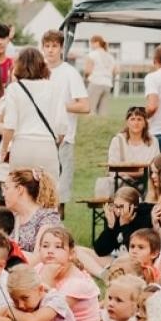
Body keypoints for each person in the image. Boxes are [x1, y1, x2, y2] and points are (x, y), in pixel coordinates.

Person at [0, 47, 66, 184]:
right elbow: (62, 125)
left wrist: (4, 149)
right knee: (48, 194)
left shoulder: (14, 88)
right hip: (47, 145)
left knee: (21, 192)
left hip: (22, 145)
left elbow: (10, 125)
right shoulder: (55, 88)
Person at [40, 30, 90, 207]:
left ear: (61, 48)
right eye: (47, 46)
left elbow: (84, 106)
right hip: (39, 137)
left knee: (59, 192)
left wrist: (60, 106)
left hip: (63, 138)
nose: (50, 50)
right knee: (39, 190)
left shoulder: (69, 73)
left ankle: (58, 231)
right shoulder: (38, 71)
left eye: (54, 46)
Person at [3, 167, 62, 254]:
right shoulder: (10, 218)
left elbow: (40, 256)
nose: (3, 194)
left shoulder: (48, 217)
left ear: (20, 190)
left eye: (6, 188)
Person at [84, 35, 116, 114]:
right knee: (103, 112)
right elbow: (115, 71)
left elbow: (87, 71)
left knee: (90, 109)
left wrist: (86, 78)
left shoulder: (92, 54)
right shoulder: (110, 56)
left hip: (96, 82)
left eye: (91, 43)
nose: (90, 45)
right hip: (107, 84)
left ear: (97, 43)